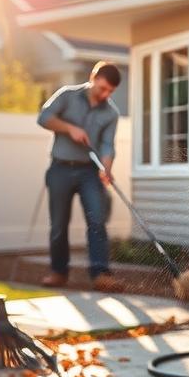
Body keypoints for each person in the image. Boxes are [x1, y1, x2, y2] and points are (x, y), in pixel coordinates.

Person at [36, 61, 125, 292]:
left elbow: (107, 146)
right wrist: (69, 128)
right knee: (58, 224)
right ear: (93, 77)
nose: (105, 94)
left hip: (89, 172)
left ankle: (100, 273)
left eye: (110, 91)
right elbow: (44, 118)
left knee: (97, 220)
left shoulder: (111, 113)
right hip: (60, 168)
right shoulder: (67, 96)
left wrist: (106, 168)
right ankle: (58, 272)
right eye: (102, 88)